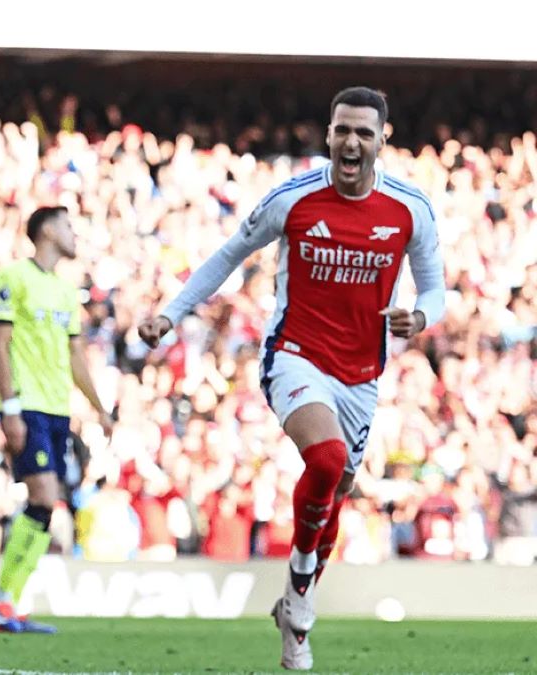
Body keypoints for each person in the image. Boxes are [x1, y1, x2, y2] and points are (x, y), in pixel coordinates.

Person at [137, 87, 445, 670]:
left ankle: (294, 604)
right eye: (341, 130)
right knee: (325, 461)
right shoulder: (293, 199)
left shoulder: (410, 209)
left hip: (361, 374)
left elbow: (435, 288)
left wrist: (422, 315)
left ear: (384, 139)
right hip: (295, 356)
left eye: (363, 132)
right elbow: (228, 255)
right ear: (329, 135)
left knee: (338, 491)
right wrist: (171, 314)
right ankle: (301, 610)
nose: (351, 142)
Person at [0, 206, 114, 634]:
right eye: (70, 226)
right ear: (48, 231)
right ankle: (3, 598)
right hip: (28, 404)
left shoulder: (65, 291)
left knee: (47, 501)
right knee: (43, 493)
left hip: (59, 410)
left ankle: (6, 600)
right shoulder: (13, 278)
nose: (75, 234)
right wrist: (9, 407)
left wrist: (98, 407)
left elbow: (76, 357)